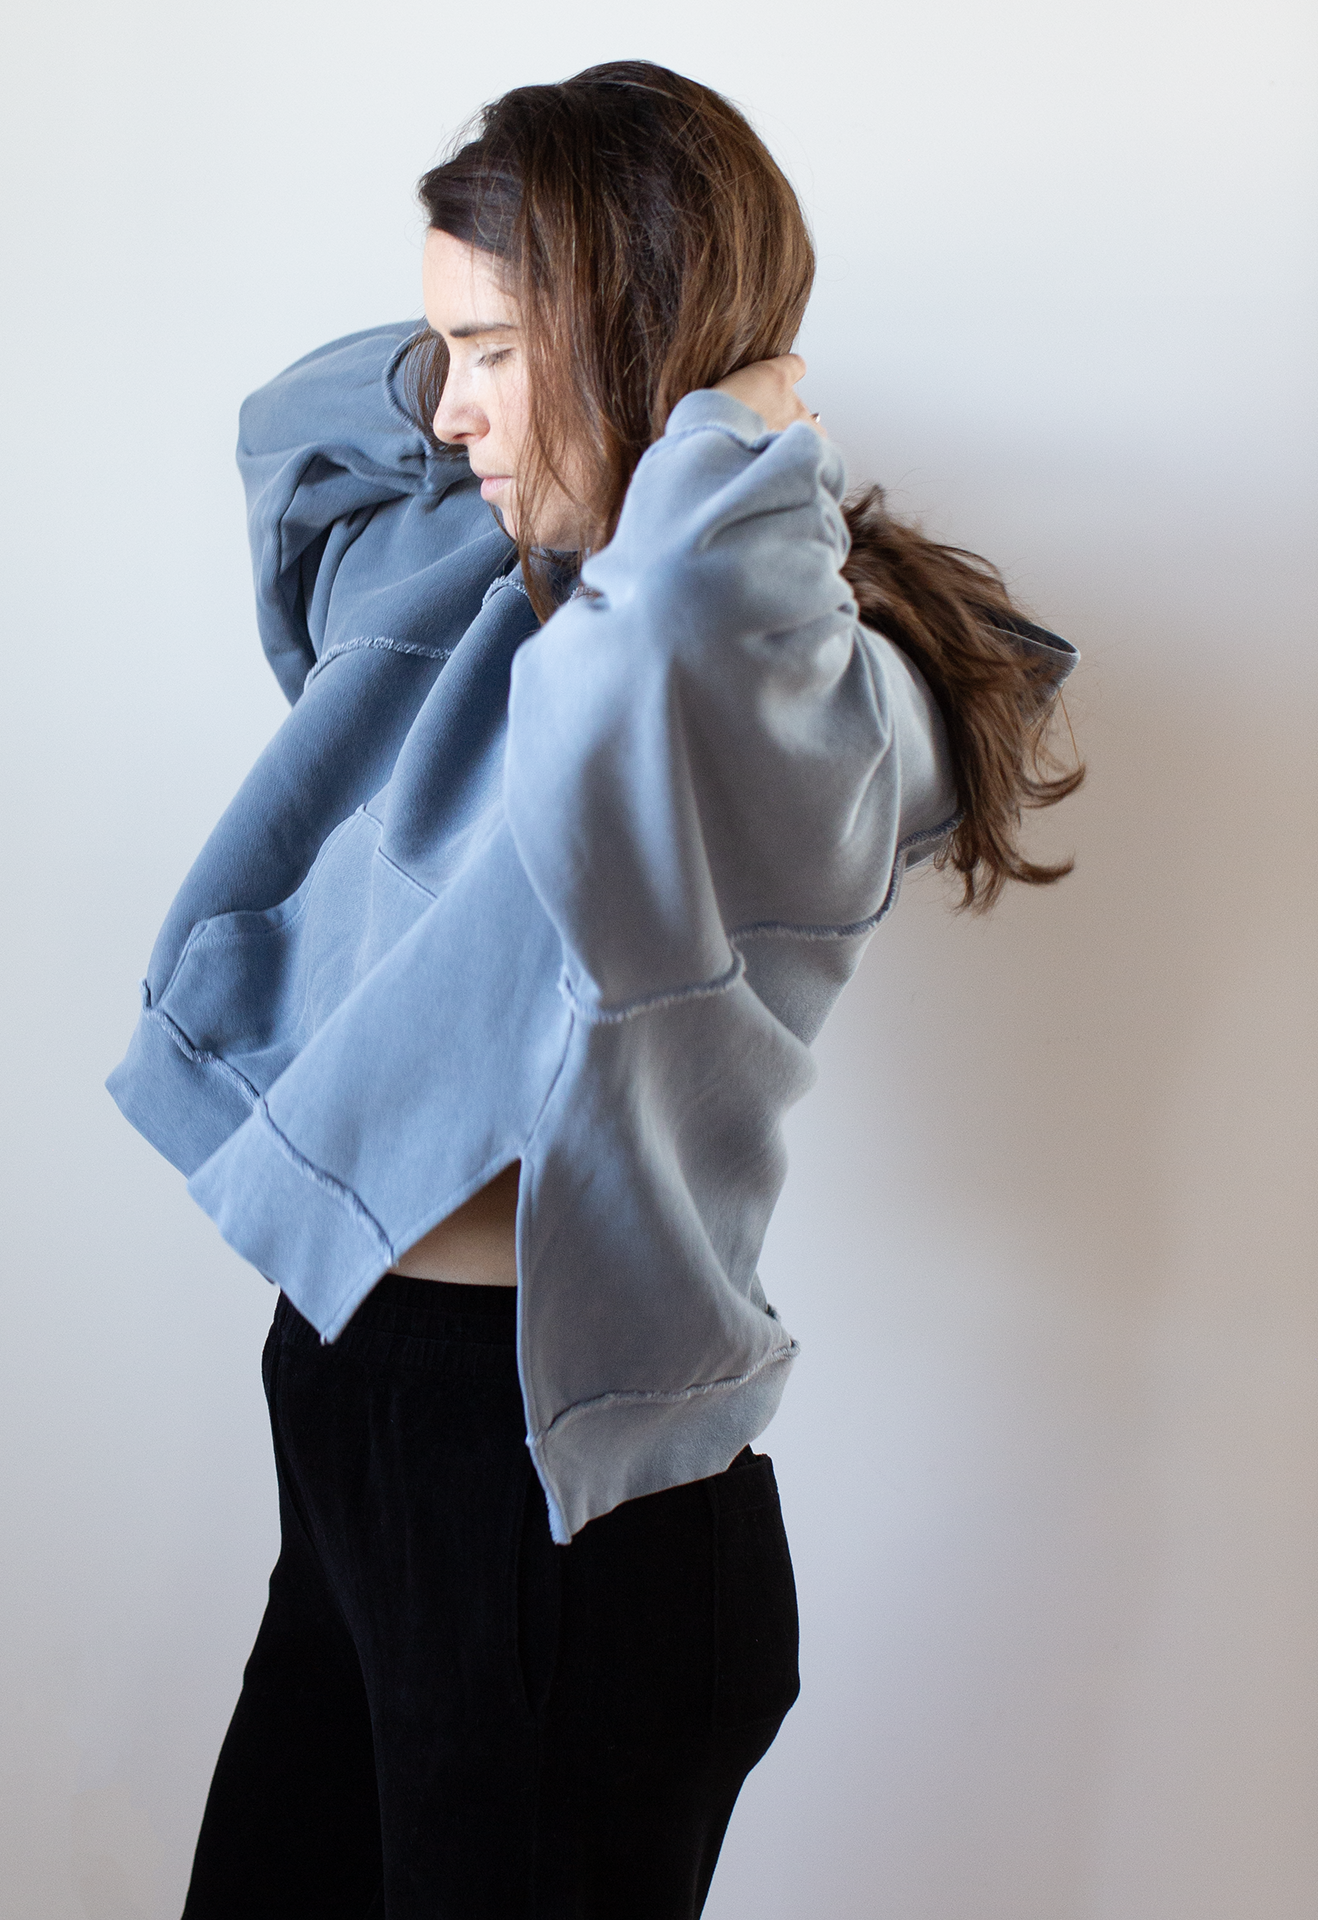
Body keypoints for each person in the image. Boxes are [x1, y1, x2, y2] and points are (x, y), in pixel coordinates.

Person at [107, 60, 1081, 1920]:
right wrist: (475, 358)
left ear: (635, 341)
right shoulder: (487, 592)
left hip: (563, 1493)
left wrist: (728, 427)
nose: (453, 410)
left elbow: (683, 669)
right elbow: (293, 442)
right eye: (442, 353)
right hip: (360, 1389)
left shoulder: (813, 688)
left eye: (490, 350)